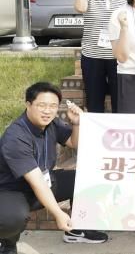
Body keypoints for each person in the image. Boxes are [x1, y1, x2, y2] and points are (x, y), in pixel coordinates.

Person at [0, 83, 108, 254]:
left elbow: (73, 143)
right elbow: (37, 182)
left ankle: (77, 231)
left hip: (44, 182)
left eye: (53, 106)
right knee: (12, 218)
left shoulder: (51, 123)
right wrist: (58, 214)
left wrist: (77, 124)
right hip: (12, 191)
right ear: (28, 104)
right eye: (42, 105)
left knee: (84, 179)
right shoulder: (16, 137)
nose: (47, 111)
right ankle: (7, 244)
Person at [73, 0, 127, 113]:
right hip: (92, 57)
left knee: (121, 104)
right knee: (94, 104)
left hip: (118, 58)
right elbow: (80, 7)